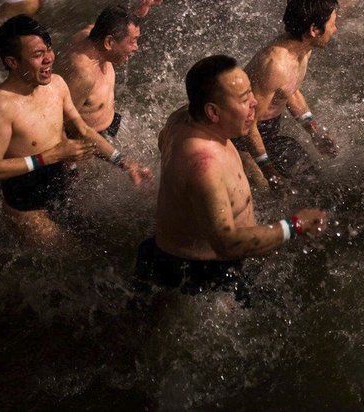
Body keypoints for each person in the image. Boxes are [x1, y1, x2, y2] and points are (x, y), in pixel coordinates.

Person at [134, 55, 327, 305]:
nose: (255, 103)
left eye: (251, 93)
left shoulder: (183, 118)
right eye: (244, 99)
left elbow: (163, 141)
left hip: (176, 255)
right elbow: (227, 243)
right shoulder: (204, 165)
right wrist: (296, 225)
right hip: (201, 278)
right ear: (213, 111)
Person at [0, 15, 149, 245]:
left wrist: (124, 162)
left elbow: (84, 131)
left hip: (61, 195)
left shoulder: (57, 85)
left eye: (48, 49)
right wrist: (50, 156)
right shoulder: (0, 105)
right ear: (12, 62)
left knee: (103, 246)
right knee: (77, 260)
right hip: (28, 211)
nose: (49, 59)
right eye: (38, 55)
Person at [234, 0, 340, 188]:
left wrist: (315, 133)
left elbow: (289, 91)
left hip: (268, 134)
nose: (335, 29)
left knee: (312, 181)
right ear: (314, 30)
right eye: (333, 24)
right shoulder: (275, 63)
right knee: (266, 191)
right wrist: (268, 171)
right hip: (240, 139)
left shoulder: (303, 49)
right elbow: (247, 123)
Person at [60, 0, 161, 146]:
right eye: (133, 41)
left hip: (109, 123)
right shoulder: (83, 75)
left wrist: (136, 14)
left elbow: (109, 25)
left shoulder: (91, 33)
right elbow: (64, 123)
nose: (136, 47)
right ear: (109, 43)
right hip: (90, 140)